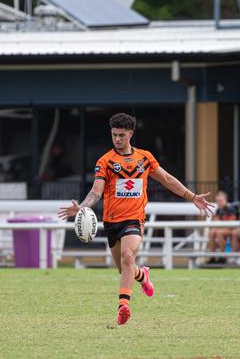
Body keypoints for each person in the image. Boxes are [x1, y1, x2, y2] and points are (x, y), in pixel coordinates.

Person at [59, 113, 214, 326]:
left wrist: (192, 196)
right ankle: (143, 275)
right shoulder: (105, 161)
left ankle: (124, 305)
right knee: (125, 269)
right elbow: (96, 191)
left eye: (121, 135)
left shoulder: (145, 158)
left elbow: (167, 179)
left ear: (131, 133)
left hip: (134, 219)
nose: (117, 139)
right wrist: (82, 207)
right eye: (114, 135)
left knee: (127, 256)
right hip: (112, 222)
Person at [206, 191, 239, 264]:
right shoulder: (218, 210)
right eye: (217, 201)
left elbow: (231, 225)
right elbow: (215, 222)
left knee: (218, 232)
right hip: (222, 229)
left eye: (220, 201)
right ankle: (212, 256)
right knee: (212, 232)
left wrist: (219, 224)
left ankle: (223, 256)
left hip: (232, 230)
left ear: (225, 200)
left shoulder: (231, 209)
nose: (218, 203)